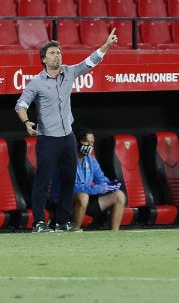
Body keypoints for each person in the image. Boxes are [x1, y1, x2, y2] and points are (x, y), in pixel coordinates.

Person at [15, 28, 119, 233]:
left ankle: (62, 221)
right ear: (44, 59)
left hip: (67, 137)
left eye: (59, 52)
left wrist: (106, 46)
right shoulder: (36, 82)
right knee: (43, 181)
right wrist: (27, 122)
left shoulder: (69, 72)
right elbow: (21, 104)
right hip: (47, 139)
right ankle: (38, 223)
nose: (58, 56)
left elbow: (90, 62)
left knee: (68, 179)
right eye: (53, 53)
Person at [50, 127, 126, 231]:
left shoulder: (91, 160)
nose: (89, 146)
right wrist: (99, 189)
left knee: (119, 195)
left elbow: (100, 178)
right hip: (63, 201)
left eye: (92, 143)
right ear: (76, 142)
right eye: (86, 142)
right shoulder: (65, 160)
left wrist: (111, 185)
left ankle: (114, 234)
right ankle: (74, 231)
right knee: (83, 196)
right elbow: (73, 187)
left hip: (85, 200)